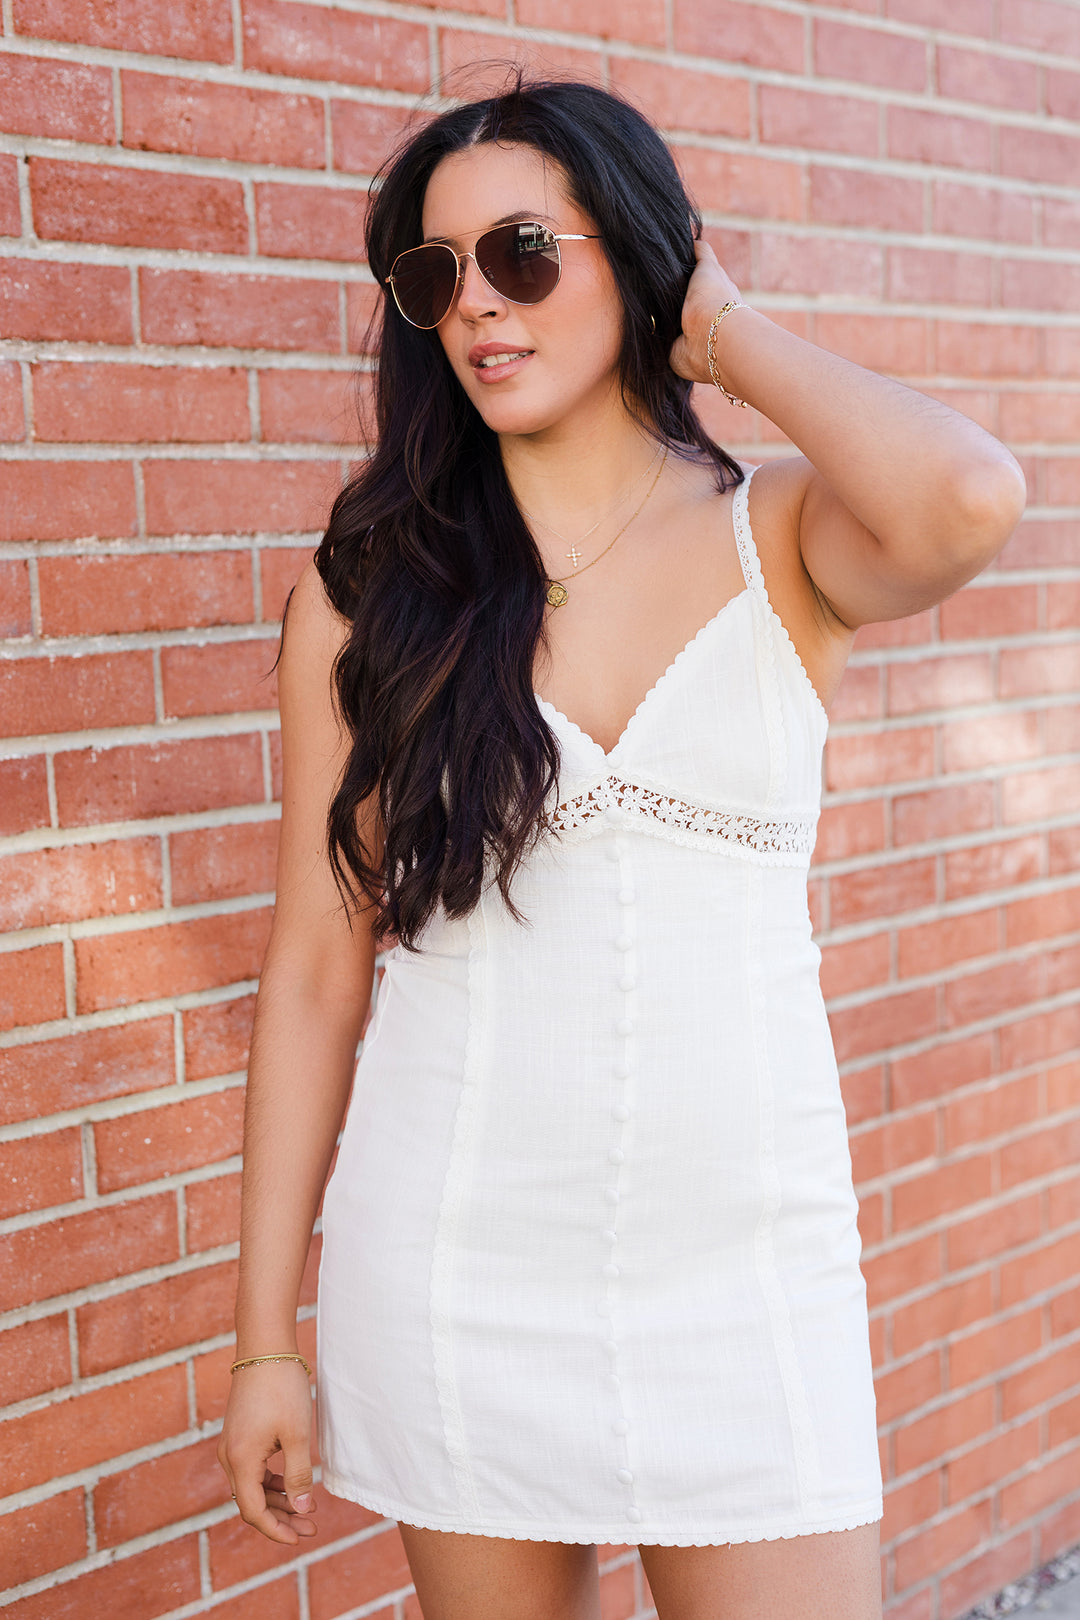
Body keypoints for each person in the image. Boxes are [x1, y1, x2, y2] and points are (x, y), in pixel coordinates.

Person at [217, 77, 1026, 1620]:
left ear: (635, 259)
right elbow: (317, 966)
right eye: (435, 273)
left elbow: (970, 497)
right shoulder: (371, 597)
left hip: (748, 1271)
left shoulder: (779, 538)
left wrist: (718, 326)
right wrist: (265, 1339)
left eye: (524, 253)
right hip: (456, 1263)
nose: (477, 303)